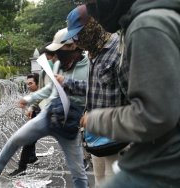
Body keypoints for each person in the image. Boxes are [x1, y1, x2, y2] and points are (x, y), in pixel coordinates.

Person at [79, 0, 180, 187]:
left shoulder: (146, 26)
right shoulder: (141, 23)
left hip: (166, 154)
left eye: (91, 2)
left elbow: (154, 114)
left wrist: (96, 120)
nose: (93, 11)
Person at [0, 28, 88, 188]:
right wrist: (29, 99)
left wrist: (68, 83)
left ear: (72, 46)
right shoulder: (59, 65)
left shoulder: (88, 66)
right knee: (16, 139)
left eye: (59, 50)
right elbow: (49, 89)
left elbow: (94, 89)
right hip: (48, 115)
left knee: (78, 173)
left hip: (69, 124)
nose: (56, 55)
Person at [57, 5, 129, 187]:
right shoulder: (93, 53)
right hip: (96, 140)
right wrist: (67, 83)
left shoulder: (118, 51)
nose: (76, 41)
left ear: (93, 25)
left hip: (117, 141)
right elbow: (95, 88)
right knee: (98, 182)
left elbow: (135, 101)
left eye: (78, 34)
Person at [8, 73, 41, 177]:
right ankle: (32, 158)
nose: (28, 86)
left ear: (38, 83)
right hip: (39, 118)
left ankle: (22, 168)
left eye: (30, 83)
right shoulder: (35, 94)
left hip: (48, 120)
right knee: (30, 141)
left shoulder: (43, 93)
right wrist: (29, 108)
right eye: (27, 84)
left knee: (28, 142)